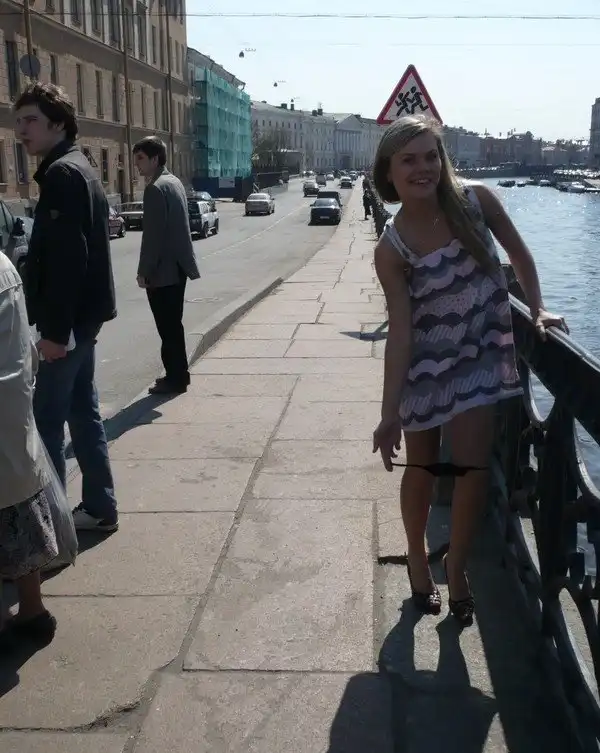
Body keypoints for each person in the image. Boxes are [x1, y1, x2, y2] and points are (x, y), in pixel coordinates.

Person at [371, 115, 566, 626]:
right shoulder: (392, 247)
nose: (423, 168)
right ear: (388, 171)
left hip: (479, 359)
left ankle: (456, 568)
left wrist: (538, 307)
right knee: (421, 467)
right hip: (423, 366)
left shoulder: (477, 202)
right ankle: (418, 557)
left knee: (472, 470)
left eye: (431, 155)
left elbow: (518, 255)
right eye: (409, 160)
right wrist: (389, 414)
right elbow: (400, 330)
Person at [14, 82, 119, 533]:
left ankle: (54, 530)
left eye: (31, 120)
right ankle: (99, 508)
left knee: (47, 423)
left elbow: (67, 261)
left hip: (69, 326)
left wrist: (55, 334)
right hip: (84, 320)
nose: (21, 131)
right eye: (18, 121)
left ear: (58, 123)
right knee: (82, 411)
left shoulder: (61, 175)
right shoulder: (80, 166)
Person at [0, 252, 58, 648]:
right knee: (19, 518)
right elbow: (26, 351)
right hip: (14, 417)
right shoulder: (5, 267)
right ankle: (33, 611)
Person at [133, 136, 200, 395]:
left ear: (155, 159)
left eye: (140, 158)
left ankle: (175, 378)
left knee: (167, 328)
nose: (137, 164)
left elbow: (153, 237)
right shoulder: (175, 182)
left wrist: (144, 271)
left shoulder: (155, 189)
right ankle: (179, 375)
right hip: (179, 267)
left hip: (163, 272)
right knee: (174, 325)